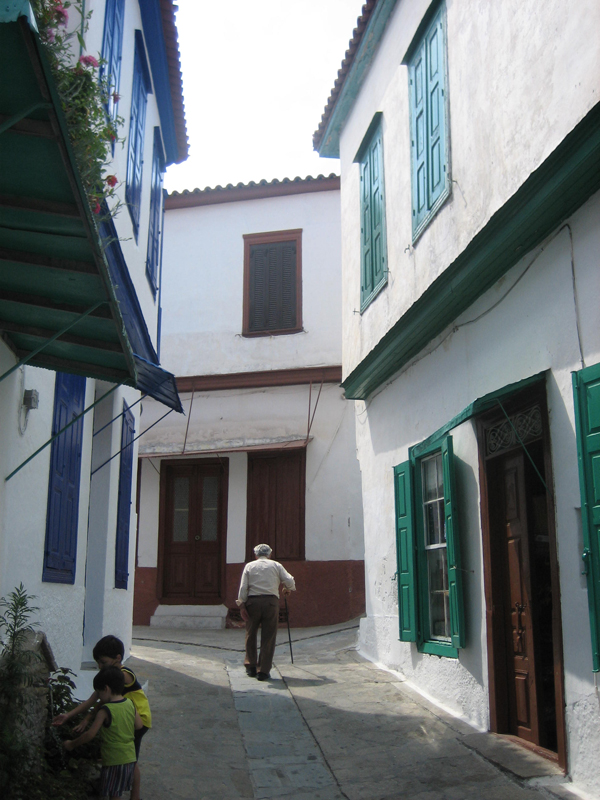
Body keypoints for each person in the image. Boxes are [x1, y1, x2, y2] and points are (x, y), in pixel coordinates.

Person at [53, 635, 151, 800]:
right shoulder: (111, 678)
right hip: (125, 715)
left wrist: (89, 717)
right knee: (126, 757)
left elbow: (102, 699)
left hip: (135, 717)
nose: (99, 666)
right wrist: (68, 716)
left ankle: (134, 796)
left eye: (103, 662)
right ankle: (117, 785)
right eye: (98, 662)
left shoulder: (121, 676)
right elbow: (94, 699)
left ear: (117, 658)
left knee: (131, 760)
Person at [63, 666, 143, 800]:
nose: (99, 697)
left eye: (99, 693)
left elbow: (90, 734)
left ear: (106, 689)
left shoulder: (105, 710)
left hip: (113, 761)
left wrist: (71, 744)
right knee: (117, 792)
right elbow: (139, 725)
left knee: (114, 794)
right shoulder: (130, 703)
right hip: (129, 758)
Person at [237, 543, 296, 680]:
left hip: (253, 602)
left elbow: (243, 587)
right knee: (268, 636)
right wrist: (288, 588)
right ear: (269, 554)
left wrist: (241, 605)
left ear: (256, 554)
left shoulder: (249, 566)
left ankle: (251, 666)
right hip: (271, 602)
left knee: (250, 634)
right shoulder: (276, 565)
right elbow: (289, 580)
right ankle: (263, 670)